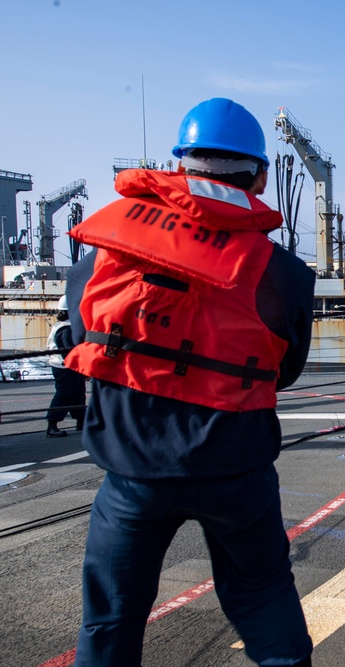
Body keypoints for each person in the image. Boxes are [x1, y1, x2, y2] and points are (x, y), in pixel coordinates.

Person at [64, 98, 315, 667]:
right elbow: (287, 369)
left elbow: (86, 339)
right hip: (236, 469)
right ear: (258, 177)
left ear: (180, 166)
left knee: (110, 623)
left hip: (131, 474)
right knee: (263, 595)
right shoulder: (284, 274)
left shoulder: (104, 254)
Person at [44, 295, 87, 437]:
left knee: (78, 393)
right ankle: (52, 424)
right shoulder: (66, 329)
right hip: (65, 367)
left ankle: (81, 420)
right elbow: (69, 353)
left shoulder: (65, 326)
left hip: (69, 366)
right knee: (65, 394)